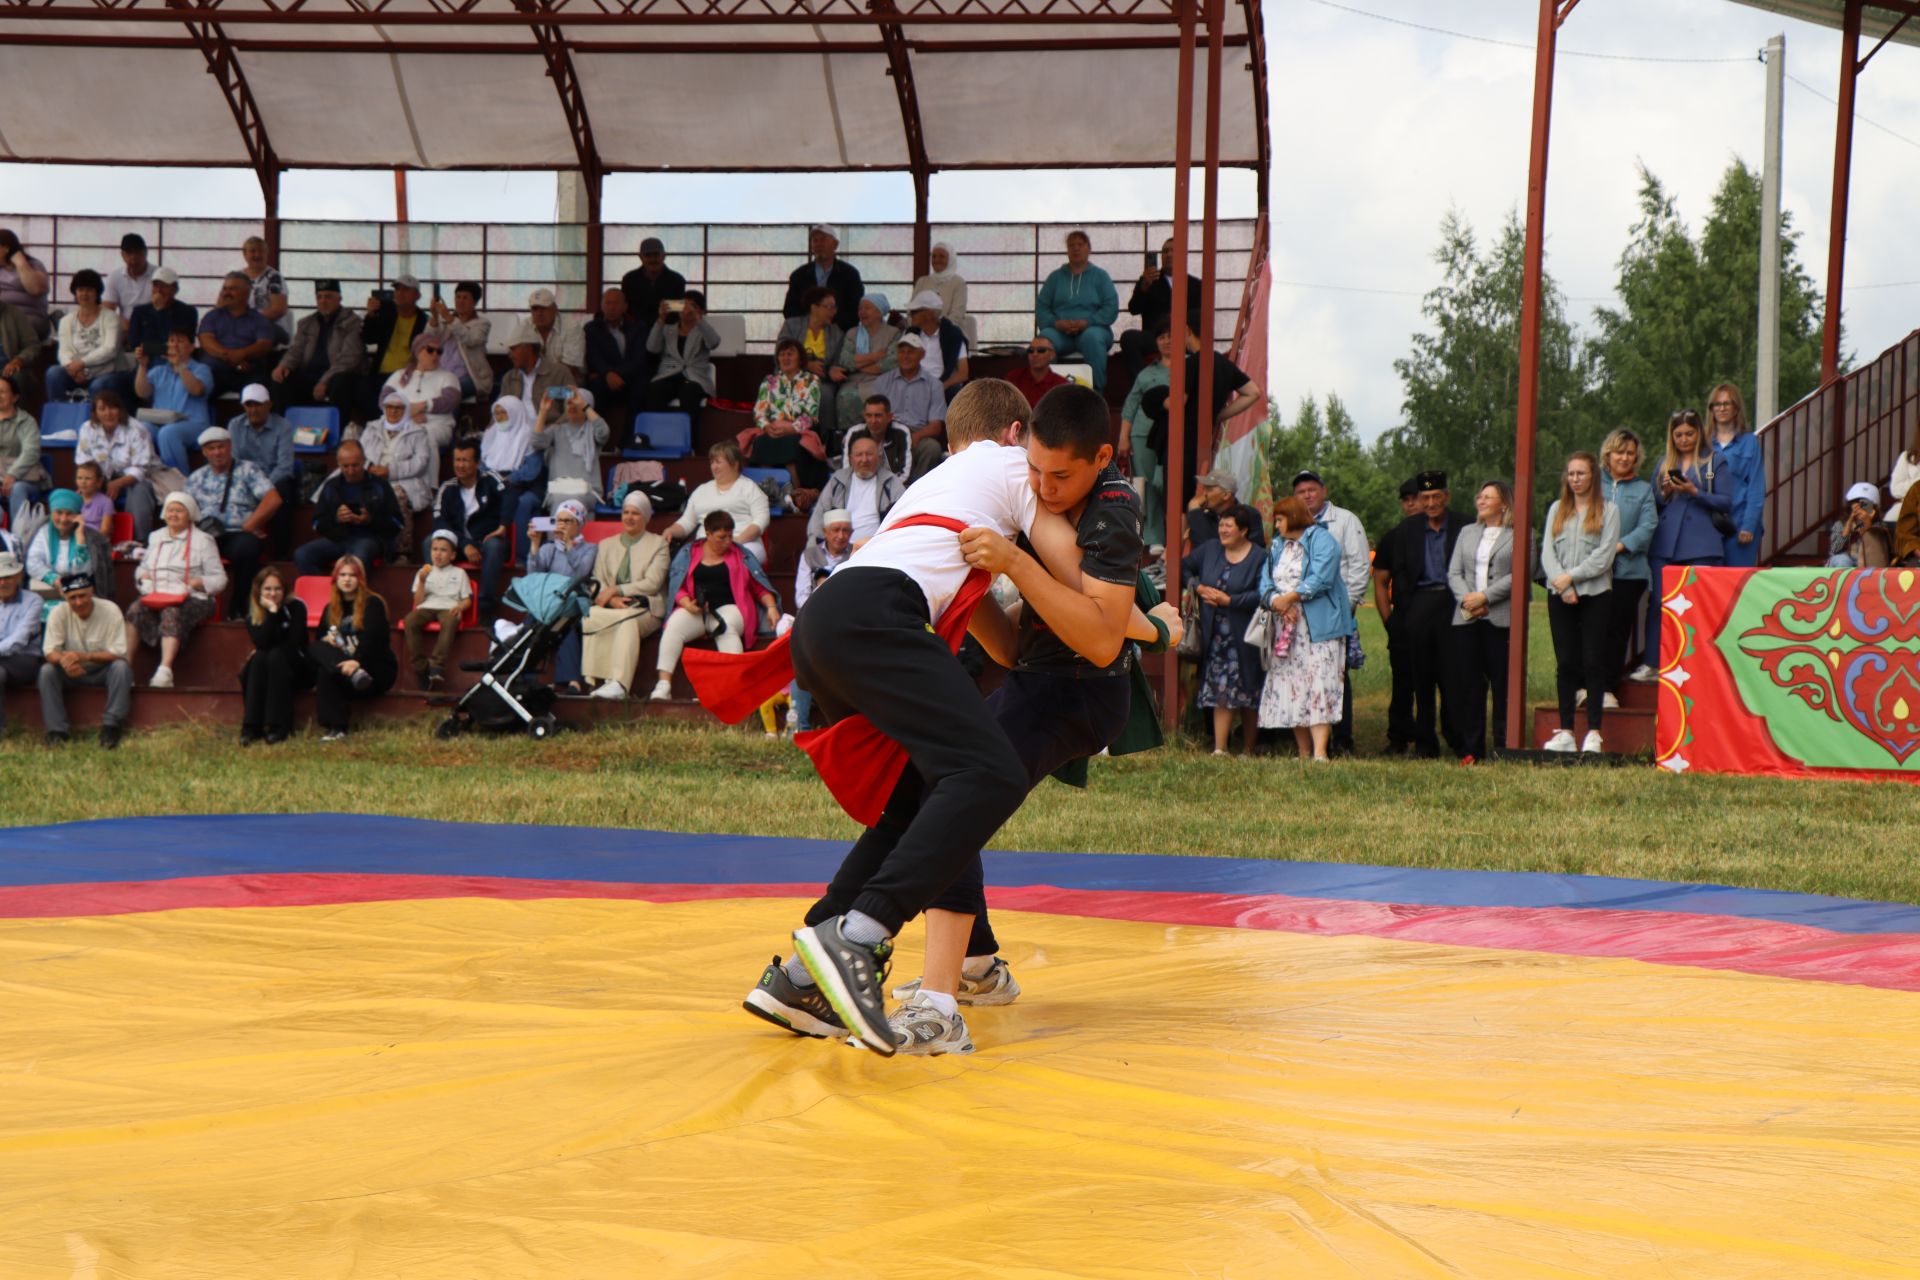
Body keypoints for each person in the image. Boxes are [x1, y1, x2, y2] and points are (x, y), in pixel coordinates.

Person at [742, 380, 1170, 1055]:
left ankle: (809, 974)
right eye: (1034, 469)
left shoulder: (951, 484)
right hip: (890, 622)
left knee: (929, 793)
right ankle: (872, 949)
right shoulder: (1006, 477)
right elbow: (1075, 622)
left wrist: (1023, 569)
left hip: (829, 620)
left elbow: (1090, 628)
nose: (1041, 486)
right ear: (1012, 441)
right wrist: (1149, 627)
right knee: (973, 781)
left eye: (1057, 475)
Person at [1375, 470, 1470, 757]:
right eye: (1425, 497)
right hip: (1418, 607)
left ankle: (1457, 737)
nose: (1430, 503)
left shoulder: (1465, 526)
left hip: (1455, 606)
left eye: (1436, 496)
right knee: (1420, 679)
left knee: (1454, 677)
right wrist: (1394, 621)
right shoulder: (1405, 532)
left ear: (1446, 496)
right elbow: (1385, 578)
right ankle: (1425, 742)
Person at [1257, 495, 1354, 761]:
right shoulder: (1278, 546)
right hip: (1285, 630)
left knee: (1319, 683)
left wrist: (1290, 598)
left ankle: (1320, 753)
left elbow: (1321, 577)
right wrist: (1276, 602)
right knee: (1293, 686)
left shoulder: (1322, 540)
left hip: (1318, 628)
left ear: (1294, 517)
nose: (1276, 525)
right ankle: (1303, 752)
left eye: (1279, 519)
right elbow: (1265, 581)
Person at [652, 509, 779, 702]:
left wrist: (771, 607)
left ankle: (731, 689)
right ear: (708, 534)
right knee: (674, 626)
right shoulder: (689, 553)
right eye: (721, 537)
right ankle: (663, 685)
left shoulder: (740, 555)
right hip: (697, 609)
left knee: (725, 627)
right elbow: (677, 587)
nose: (728, 542)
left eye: (730, 536)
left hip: (733, 608)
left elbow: (759, 587)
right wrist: (687, 602)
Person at [1642, 409, 1731, 677]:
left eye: (1689, 433)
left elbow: (1727, 502)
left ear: (1699, 433)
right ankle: (1652, 663)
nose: (1683, 439)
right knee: (1659, 602)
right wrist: (1666, 492)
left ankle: (1698, 664)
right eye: (1678, 434)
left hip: (1701, 543)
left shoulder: (1715, 461)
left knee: (1697, 605)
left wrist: (1696, 492)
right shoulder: (1662, 463)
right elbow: (1653, 504)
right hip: (1665, 544)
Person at [1541, 452, 1619, 754]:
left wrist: (1571, 578)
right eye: (1571, 474)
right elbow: (1548, 552)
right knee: (1566, 663)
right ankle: (1565, 731)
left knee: (1592, 661)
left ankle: (1594, 732)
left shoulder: (1608, 510)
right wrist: (1562, 584)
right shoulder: (1556, 510)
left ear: (1593, 476)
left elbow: (1604, 555)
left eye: (1581, 474)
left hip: (1595, 593)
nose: (1575, 479)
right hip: (1559, 594)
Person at [1293, 469, 1368, 755]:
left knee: (1336, 676)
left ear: (1323, 491)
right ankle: (1308, 742)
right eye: (1301, 492)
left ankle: (1342, 739)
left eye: (1312, 489)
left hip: (1336, 614)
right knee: (1304, 676)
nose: (1307, 495)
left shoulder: (1346, 520)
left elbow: (1359, 566)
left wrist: (1346, 608)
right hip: (1300, 616)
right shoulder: (1293, 523)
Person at [1183, 501, 1264, 756]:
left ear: (1244, 531)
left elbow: (1263, 593)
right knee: (1220, 690)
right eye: (1221, 525)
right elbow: (1184, 566)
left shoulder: (1260, 557)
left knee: (1249, 691)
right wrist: (1196, 586)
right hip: (1215, 635)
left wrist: (1231, 601)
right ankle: (1220, 748)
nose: (1223, 530)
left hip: (1246, 636)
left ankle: (1249, 749)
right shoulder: (1209, 549)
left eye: (1229, 526)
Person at [126, 489, 227, 690]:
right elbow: (142, 568)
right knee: (134, 610)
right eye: (170, 510)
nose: (173, 515)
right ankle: (125, 669)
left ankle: (164, 671)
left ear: (189, 514)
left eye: (179, 511)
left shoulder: (203, 540)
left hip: (194, 598)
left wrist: (199, 582)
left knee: (171, 613)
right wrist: (142, 576)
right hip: (158, 594)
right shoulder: (156, 537)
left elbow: (220, 579)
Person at [1444, 480, 1514, 761]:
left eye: (1488, 497)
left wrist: (1485, 598)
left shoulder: (1520, 534)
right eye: (1480, 496)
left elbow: (1520, 572)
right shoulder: (1467, 532)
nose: (1481, 501)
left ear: (1504, 503)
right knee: (1470, 686)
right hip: (1468, 618)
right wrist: (1469, 600)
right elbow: (1454, 573)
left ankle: (1502, 746)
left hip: (1500, 617)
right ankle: (1471, 749)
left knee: (1502, 685)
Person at [580, 489, 670, 701]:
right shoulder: (606, 545)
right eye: (626, 512)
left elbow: (652, 583)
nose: (629, 517)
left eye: (636, 513)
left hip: (645, 608)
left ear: (646, 517)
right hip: (613, 605)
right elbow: (598, 578)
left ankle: (619, 684)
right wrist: (611, 598)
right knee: (591, 615)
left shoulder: (659, 544)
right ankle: (600, 680)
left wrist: (617, 589)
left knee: (627, 621)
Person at [184, 425, 279, 610]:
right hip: (206, 535)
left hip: (238, 533)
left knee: (248, 548)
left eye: (221, 447)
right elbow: (184, 509)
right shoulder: (196, 478)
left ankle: (240, 608)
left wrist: (251, 524)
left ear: (230, 446)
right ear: (204, 452)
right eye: (211, 448)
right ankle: (194, 606)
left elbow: (273, 499)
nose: (217, 452)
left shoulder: (248, 470)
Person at [308, 555, 396, 741]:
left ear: (360, 579)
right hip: (346, 671)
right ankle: (335, 730)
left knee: (329, 668)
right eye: (343, 575)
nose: (347, 579)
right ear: (335, 579)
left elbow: (373, 641)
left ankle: (337, 726)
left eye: (352, 575)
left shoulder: (373, 603)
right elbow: (319, 644)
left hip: (372, 670)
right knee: (319, 651)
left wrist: (357, 662)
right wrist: (330, 645)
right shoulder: (330, 608)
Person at [39, 573, 130, 747]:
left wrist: (84, 657)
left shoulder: (110, 609)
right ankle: (56, 731)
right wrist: (66, 661)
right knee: (47, 671)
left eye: (83, 596)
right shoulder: (58, 612)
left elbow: (118, 652)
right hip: (70, 671)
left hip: (102, 669)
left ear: (92, 593)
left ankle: (111, 727)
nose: (79, 602)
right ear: (66, 598)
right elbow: (50, 652)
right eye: (73, 598)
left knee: (121, 668)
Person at [1599, 428, 1659, 687]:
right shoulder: (1592, 482)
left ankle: (1609, 688)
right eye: (1619, 452)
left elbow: (1648, 526)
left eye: (1630, 453)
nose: (1624, 458)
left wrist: (1621, 546)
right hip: (1593, 570)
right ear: (1608, 454)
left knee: (1617, 633)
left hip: (1628, 573)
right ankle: (1584, 687)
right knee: (1591, 631)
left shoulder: (1643, 490)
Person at [296, 439, 403, 575]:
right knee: (302, 555)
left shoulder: (380, 485)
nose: (351, 471)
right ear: (338, 464)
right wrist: (337, 519)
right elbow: (317, 523)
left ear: (364, 461)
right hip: (339, 538)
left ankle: (356, 595)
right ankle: (324, 593)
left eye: (355, 465)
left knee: (357, 557)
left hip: (371, 538)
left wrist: (370, 520)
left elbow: (397, 523)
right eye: (345, 466)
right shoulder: (331, 486)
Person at [526, 499, 599, 694]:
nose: (562, 525)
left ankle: (571, 681)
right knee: (532, 622)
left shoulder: (590, 549)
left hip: (573, 601)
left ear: (579, 524)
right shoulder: (548, 548)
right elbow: (533, 577)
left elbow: (581, 573)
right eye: (559, 521)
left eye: (568, 521)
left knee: (565, 625)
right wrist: (534, 545)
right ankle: (526, 676)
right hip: (548, 602)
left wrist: (568, 545)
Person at [430, 440, 511, 616]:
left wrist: (504, 525)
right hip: (459, 545)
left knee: (495, 546)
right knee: (428, 542)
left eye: (465, 460)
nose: (460, 465)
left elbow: (510, 495)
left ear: (477, 463)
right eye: (457, 460)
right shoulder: (447, 488)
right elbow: (440, 522)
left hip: (486, 542)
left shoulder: (490, 479)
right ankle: (439, 599)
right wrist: (464, 544)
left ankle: (485, 606)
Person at [271, 278, 366, 420]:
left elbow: (349, 359)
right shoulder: (306, 323)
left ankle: (336, 433)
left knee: (341, 382)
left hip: (335, 377)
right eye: (319, 297)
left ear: (339, 299)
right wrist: (284, 365)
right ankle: (283, 430)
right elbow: (296, 350)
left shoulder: (352, 322)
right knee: (280, 379)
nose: (323, 301)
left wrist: (324, 381)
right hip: (309, 376)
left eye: (328, 297)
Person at [746, 339, 827, 504]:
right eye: (782, 355)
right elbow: (759, 412)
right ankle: (767, 493)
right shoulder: (769, 381)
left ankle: (798, 495)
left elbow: (811, 414)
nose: (785, 358)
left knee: (790, 443)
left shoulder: (811, 380)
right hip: (772, 430)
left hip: (800, 430)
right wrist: (767, 426)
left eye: (790, 354)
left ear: (800, 358)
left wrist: (792, 428)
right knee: (761, 442)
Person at [1035, 229, 1118, 391]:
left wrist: (1088, 322)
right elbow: (1042, 306)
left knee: (1092, 339)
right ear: (1067, 250)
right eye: (1071, 245)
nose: (1076, 248)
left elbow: (1111, 306)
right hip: (1059, 332)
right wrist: (1055, 323)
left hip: (1093, 329)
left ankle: (1096, 394)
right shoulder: (1055, 277)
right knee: (1043, 342)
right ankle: (1046, 394)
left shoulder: (1100, 276)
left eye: (1080, 244)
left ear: (1089, 249)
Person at [74, 389, 159, 541]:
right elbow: (84, 462)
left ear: (120, 410)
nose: (108, 413)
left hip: (136, 480)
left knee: (139, 492)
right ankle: (91, 540)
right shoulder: (87, 429)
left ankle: (138, 542)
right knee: (85, 488)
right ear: (95, 412)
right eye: (102, 409)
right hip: (101, 479)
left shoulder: (136, 429)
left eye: (112, 408)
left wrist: (118, 484)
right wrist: (90, 483)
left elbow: (141, 469)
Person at [239, 567, 311, 745]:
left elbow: (293, 643)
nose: (273, 593)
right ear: (259, 591)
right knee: (259, 658)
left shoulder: (297, 607)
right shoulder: (253, 612)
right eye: (268, 589)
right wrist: (272, 612)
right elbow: (261, 642)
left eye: (277, 589)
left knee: (272, 656)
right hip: (268, 662)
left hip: (298, 664)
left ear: (284, 590)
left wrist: (276, 613)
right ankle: (252, 726)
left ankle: (278, 726)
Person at [671, 441, 769, 567]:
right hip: (705, 545)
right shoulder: (701, 490)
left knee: (732, 562)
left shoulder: (750, 488)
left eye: (718, 462)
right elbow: (687, 522)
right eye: (712, 462)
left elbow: (761, 520)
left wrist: (735, 542)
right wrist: (670, 531)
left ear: (735, 464)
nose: (714, 467)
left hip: (744, 543)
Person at [361, 391, 436, 556]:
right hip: (371, 476)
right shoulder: (372, 427)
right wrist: (370, 466)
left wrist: (390, 471)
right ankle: (362, 546)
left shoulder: (418, 432)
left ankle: (402, 552)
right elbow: (360, 453)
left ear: (406, 410)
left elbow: (421, 462)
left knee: (396, 497)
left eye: (398, 408)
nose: (393, 412)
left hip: (404, 480)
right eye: (389, 407)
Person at [227, 383, 298, 553]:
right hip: (246, 481)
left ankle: (281, 554)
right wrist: (251, 486)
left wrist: (263, 488)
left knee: (282, 491)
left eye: (258, 404)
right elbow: (235, 462)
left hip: (274, 480)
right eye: (249, 405)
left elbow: (285, 466)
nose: (253, 410)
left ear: (269, 405)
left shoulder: (283, 426)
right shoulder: (235, 425)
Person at [1119, 236, 1204, 379]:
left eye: (1173, 251)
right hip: (1155, 335)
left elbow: (1201, 317)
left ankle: (1193, 384)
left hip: (1184, 337)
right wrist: (1143, 288)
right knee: (1129, 337)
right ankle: (1142, 383)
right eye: (1165, 251)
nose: (1169, 255)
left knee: (1198, 318)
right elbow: (1133, 309)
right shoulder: (1149, 280)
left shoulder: (1195, 284)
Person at [1121, 318, 1172, 550]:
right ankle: (1154, 538)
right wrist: (1123, 437)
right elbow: (1130, 406)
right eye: (1161, 337)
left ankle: (1178, 534)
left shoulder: (1192, 366)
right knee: (1150, 485)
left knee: (1172, 484)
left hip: (1177, 435)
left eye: (1171, 336)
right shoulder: (1146, 374)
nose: (1167, 341)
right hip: (1143, 435)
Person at [401, 531, 473, 689]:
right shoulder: (423, 572)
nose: (438, 554)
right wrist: (421, 581)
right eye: (434, 549)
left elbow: (467, 599)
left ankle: (436, 665)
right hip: (427, 607)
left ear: (453, 555)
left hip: (448, 607)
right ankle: (421, 667)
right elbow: (418, 601)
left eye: (443, 550)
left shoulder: (459, 573)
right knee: (410, 621)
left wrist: (459, 607)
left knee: (450, 620)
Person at [870, 333, 947, 481]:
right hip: (889, 430)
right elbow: (874, 414)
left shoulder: (934, 384)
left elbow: (936, 426)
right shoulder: (882, 381)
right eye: (902, 351)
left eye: (911, 351)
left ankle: (915, 489)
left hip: (918, 433)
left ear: (922, 355)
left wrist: (915, 437)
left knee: (932, 448)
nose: (905, 356)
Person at [136, 328, 215, 472]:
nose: (175, 345)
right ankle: (143, 474)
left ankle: (178, 481)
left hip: (192, 424)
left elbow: (196, 390)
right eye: (172, 341)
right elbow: (142, 392)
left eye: (180, 341)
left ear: (191, 347)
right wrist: (143, 365)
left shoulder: (201, 369)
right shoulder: (159, 370)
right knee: (141, 428)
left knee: (168, 433)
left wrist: (180, 366)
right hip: (159, 422)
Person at [46, 269, 130, 403]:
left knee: (98, 386)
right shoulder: (66, 321)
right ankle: (60, 415)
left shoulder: (111, 318)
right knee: (53, 373)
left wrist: (81, 363)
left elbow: (110, 350)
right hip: (76, 373)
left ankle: (94, 421)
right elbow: (64, 351)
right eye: (80, 289)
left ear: (97, 292)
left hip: (108, 373)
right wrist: (72, 368)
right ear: (75, 292)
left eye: (89, 289)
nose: (84, 294)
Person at [482, 393, 545, 562]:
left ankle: (521, 558)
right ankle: (487, 552)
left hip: (524, 487)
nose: (500, 417)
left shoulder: (530, 436)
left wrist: (506, 480)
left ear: (515, 412)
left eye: (504, 413)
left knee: (522, 504)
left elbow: (531, 471)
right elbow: (482, 466)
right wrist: (493, 480)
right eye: (497, 413)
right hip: (496, 484)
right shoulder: (491, 435)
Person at [197, 271, 280, 400]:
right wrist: (231, 358)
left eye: (233, 289)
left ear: (247, 292)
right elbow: (205, 340)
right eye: (225, 289)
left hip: (247, 371)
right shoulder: (212, 316)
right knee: (196, 388)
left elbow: (264, 344)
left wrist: (242, 354)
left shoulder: (259, 319)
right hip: (215, 371)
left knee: (259, 393)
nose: (227, 293)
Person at [829, 294, 899, 445]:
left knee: (880, 398)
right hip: (853, 380)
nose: (862, 312)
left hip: (881, 379)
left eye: (867, 308)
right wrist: (876, 356)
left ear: (880, 312)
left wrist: (859, 363)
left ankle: (879, 443)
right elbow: (845, 361)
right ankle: (849, 442)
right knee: (845, 396)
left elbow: (890, 363)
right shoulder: (852, 333)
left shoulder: (893, 333)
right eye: (860, 308)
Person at [777, 287, 843, 444]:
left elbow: (838, 361)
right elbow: (782, 351)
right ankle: (787, 438)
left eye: (834, 307)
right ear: (814, 307)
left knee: (825, 394)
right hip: (792, 374)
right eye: (829, 307)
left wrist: (831, 369)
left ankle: (826, 443)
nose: (833, 311)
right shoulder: (792, 325)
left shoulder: (836, 332)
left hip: (821, 379)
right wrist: (806, 364)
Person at [812, 434, 903, 546]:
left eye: (869, 454)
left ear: (879, 458)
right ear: (851, 459)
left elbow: (902, 519)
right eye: (859, 455)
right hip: (839, 550)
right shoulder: (838, 480)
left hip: (876, 549)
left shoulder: (891, 482)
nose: (864, 460)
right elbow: (817, 519)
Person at [1708, 382, 1763, 566]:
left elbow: (1756, 487)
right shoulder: (1704, 444)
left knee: (1737, 586)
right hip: (1710, 526)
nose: (1721, 408)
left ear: (1736, 408)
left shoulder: (1750, 442)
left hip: (1740, 525)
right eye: (1717, 404)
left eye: (1727, 403)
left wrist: (1749, 525)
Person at [531, 386, 609, 515]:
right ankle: (559, 536)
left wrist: (583, 405)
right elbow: (536, 443)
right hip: (558, 490)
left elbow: (604, 432)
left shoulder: (593, 430)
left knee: (573, 501)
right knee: (560, 500)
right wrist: (543, 411)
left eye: (576, 402)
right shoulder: (556, 429)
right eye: (568, 402)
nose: (571, 406)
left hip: (588, 491)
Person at [25, 489, 113, 603]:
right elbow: (32, 563)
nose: (63, 519)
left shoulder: (89, 537)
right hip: (47, 594)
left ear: (78, 515)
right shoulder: (43, 533)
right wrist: (56, 580)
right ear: (51, 513)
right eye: (59, 512)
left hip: (78, 595)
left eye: (69, 513)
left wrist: (80, 540)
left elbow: (85, 572)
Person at [584, 287, 649, 441]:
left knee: (642, 388)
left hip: (629, 376)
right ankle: (596, 439)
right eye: (608, 303)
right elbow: (593, 357)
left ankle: (630, 440)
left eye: (616, 304)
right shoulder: (592, 328)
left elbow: (639, 359)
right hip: (604, 376)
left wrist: (617, 374)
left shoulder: (638, 327)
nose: (611, 308)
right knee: (595, 387)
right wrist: (608, 374)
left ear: (625, 307)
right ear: (602, 306)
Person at [380, 333, 460, 453]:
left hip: (434, 427)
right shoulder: (399, 375)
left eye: (439, 351)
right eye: (430, 350)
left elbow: (450, 401)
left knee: (414, 438)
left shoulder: (448, 377)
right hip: (400, 424)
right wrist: (407, 414)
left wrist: (422, 406)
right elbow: (383, 401)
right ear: (417, 352)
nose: (435, 355)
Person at [642, 291, 719, 414]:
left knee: (689, 393)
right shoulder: (667, 329)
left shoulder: (703, 331)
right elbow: (652, 348)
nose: (686, 309)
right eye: (683, 305)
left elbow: (714, 342)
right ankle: (657, 431)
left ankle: (687, 432)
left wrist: (698, 319)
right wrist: (661, 318)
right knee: (654, 391)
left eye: (693, 306)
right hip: (669, 375)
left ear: (702, 311)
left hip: (695, 379)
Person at [425, 281, 492, 402]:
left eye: (465, 298)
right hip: (440, 373)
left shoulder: (482, 324)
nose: (460, 301)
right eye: (458, 297)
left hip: (470, 377)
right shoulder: (444, 320)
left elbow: (471, 340)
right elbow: (428, 341)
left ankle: (448, 421)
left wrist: (449, 318)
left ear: (475, 302)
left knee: (448, 392)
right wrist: (434, 316)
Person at [782, 223, 863, 324]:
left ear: (835, 244)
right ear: (811, 246)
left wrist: (831, 325)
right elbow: (789, 310)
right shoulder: (799, 275)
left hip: (840, 335)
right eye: (815, 240)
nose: (819, 244)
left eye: (824, 239)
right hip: (805, 334)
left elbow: (855, 310)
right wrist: (810, 324)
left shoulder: (850, 275)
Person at [0, 549, 41, 739]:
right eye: (0, 577)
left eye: (8, 576)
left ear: (17, 576)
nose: (3, 582)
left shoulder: (33, 601)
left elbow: (18, 640)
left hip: (25, 659)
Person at [363, 272, 427, 392]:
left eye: (406, 289)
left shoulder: (424, 320)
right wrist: (370, 315)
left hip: (409, 376)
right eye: (397, 289)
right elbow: (368, 338)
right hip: (381, 373)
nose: (400, 293)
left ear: (417, 296)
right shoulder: (386, 314)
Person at [0, 374, 48, 531]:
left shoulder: (26, 421)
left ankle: (18, 541)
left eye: (2, 392)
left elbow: (31, 452)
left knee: (17, 488)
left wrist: (12, 474)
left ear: (15, 397)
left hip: (25, 477)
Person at [904, 290, 969, 404]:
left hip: (943, 384)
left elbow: (963, 373)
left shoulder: (953, 336)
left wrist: (941, 386)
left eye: (914, 312)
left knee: (956, 394)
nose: (910, 315)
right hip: (914, 383)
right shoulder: (910, 334)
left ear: (929, 314)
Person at [125, 267, 197, 367]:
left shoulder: (188, 312)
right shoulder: (140, 311)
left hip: (175, 361)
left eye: (164, 286)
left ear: (175, 289)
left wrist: (161, 311)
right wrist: (161, 348)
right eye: (155, 285)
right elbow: (133, 342)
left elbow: (181, 344)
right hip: (144, 361)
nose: (159, 291)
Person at [497, 321, 576, 408]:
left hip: (550, 421)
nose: (509, 354)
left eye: (513, 349)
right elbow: (499, 410)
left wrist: (557, 422)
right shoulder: (509, 378)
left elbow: (573, 406)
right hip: (515, 422)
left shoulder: (558, 374)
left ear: (528, 348)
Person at [1184, 470, 1264, 551]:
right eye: (1204, 489)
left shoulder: (1249, 515)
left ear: (1226, 495)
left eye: (1209, 490)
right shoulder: (1207, 514)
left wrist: (1194, 508)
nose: (1204, 494)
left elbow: (1209, 547)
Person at [842, 394, 915, 481]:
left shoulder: (901, 432)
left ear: (889, 417)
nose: (873, 421)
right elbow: (847, 470)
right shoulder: (854, 433)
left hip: (894, 488)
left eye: (878, 416)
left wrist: (883, 489)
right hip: (860, 486)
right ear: (864, 416)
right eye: (869, 416)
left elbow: (906, 473)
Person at [619, 237, 686, 325]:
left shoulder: (677, 280)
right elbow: (625, 308)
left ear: (664, 256)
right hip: (636, 331)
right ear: (640, 257)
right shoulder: (629, 280)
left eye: (656, 255)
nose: (653, 259)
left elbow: (679, 307)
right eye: (648, 255)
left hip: (668, 329)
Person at [0, 229, 51, 339]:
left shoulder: (33, 264)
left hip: (30, 318)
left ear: (6, 248)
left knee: (9, 327)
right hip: (3, 318)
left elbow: (36, 289)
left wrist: (21, 263)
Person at [1829, 482, 1893, 568]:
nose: (1860, 506)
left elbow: (1877, 551)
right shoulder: (1840, 524)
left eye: (1865, 503)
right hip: (1845, 559)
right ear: (1850, 504)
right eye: (1856, 502)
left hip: (1868, 560)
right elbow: (1835, 549)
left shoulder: (1880, 525)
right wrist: (1850, 523)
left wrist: (1867, 524)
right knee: (1843, 560)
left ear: (1873, 508)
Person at [527, 287, 586, 377]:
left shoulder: (572, 327)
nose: (539, 313)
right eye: (535, 309)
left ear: (555, 309)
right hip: (535, 378)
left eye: (543, 308)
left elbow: (569, 367)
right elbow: (516, 355)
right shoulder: (526, 325)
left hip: (568, 379)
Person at [240, 234, 290, 338]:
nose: (257, 255)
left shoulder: (274, 277)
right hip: (240, 325)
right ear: (245, 254)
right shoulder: (236, 277)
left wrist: (248, 322)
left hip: (269, 326)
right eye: (253, 251)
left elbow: (278, 310)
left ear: (267, 254)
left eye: (261, 251)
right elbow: (223, 304)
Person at [1007, 333, 1067, 408]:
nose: (1035, 354)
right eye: (1031, 350)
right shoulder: (1014, 377)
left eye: (1041, 350)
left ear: (1052, 355)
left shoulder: (1061, 385)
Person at [102, 233, 155, 318]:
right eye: (129, 252)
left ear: (146, 252)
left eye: (137, 252)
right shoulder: (114, 277)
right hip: (125, 327)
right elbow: (107, 312)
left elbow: (167, 308)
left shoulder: (158, 275)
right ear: (122, 254)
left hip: (154, 326)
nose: (133, 257)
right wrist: (123, 324)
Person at [913, 243, 968, 324]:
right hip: (921, 331)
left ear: (950, 259)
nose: (937, 260)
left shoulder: (958, 283)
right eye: (934, 256)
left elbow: (957, 314)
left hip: (949, 332)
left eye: (942, 256)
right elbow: (912, 310)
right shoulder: (922, 281)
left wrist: (936, 330)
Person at [0, 299, 42, 389]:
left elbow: (32, 345)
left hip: (8, 367)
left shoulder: (14, 313)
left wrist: (18, 360)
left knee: (19, 379)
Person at [73, 462, 114, 535]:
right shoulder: (73, 499)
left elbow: (105, 530)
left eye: (88, 478)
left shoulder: (106, 502)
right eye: (79, 478)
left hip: (95, 540)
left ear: (99, 482)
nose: (83, 482)